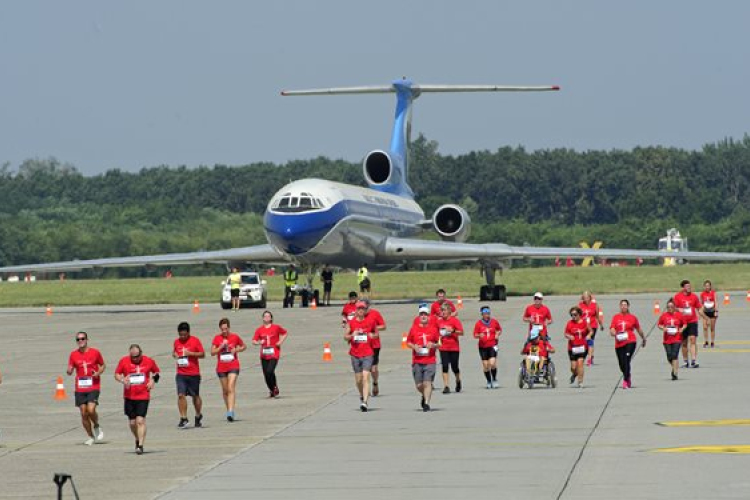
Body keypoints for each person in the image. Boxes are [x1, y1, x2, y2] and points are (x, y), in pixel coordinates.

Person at [114, 344, 160, 455]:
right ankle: (137, 438)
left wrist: (153, 381)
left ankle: (140, 445)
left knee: (140, 421)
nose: (135, 359)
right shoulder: (124, 361)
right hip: (129, 396)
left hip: (143, 395)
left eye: (137, 356)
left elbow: (157, 372)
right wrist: (122, 380)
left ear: (141, 353)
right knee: (132, 423)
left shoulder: (149, 361)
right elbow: (116, 374)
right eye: (132, 357)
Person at [67, 331, 106, 445]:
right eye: (78, 339)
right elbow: (70, 368)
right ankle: (91, 436)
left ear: (87, 339)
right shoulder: (73, 354)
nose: (80, 341)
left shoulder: (95, 352)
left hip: (93, 385)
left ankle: (97, 425)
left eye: (82, 338)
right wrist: (69, 371)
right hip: (80, 387)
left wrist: (98, 372)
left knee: (91, 410)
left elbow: (103, 365)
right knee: (84, 413)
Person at [344, 300, 378, 412]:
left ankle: (365, 402)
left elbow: (376, 333)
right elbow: (345, 337)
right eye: (359, 309)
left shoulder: (371, 321)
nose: (361, 311)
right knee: (358, 380)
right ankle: (362, 395)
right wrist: (352, 335)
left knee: (366, 377)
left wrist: (372, 335)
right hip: (355, 354)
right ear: (356, 311)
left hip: (368, 353)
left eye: (363, 309)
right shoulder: (352, 323)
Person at [211, 318, 247, 421]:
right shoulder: (217, 338)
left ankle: (231, 411)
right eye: (222, 329)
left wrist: (237, 349)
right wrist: (220, 347)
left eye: (226, 329)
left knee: (231, 387)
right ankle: (228, 410)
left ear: (229, 328)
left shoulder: (235, 337)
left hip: (233, 365)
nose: (224, 331)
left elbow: (244, 346)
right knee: (225, 390)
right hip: (221, 367)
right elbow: (212, 352)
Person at [406, 304, 440, 411]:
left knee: (427, 382)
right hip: (417, 360)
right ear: (419, 316)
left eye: (425, 314)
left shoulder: (434, 329)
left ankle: (426, 403)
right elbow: (408, 342)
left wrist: (433, 345)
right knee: (419, 385)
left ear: (429, 316)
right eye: (421, 314)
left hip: (430, 360)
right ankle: (424, 395)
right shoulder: (413, 329)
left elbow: (439, 343)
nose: (423, 316)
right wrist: (414, 346)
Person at [173, 321, 205, 429]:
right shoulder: (176, 342)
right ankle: (183, 417)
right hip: (181, 373)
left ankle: (198, 414)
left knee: (195, 396)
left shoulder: (195, 341)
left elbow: (202, 354)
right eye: (180, 335)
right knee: (181, 395)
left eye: (184, 335)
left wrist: (190, 354)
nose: (182, 337)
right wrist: (175, 354)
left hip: (193, 373)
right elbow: (174, 352)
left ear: (188, 333)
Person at [609, 299, 646, 389]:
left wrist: (643, 338)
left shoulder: (632, 317)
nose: (623, 307)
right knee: (622, 364)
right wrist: (613, 332)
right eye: (622, 305)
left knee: (626, 359)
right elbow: (612, 328)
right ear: (620, 306)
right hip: (619, 342)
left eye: (625, 305)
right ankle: (627, 374)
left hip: (630, 341)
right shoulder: (616, 317)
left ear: (628, 306)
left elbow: (638, 329)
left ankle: (626, 380)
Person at [252, 311, 288, 398]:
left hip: (274, 353)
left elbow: (285, 333)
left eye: (268, 316)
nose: (267, 318)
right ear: (263, 318)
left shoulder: (276, 327)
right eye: (265, 316)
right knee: (266, 374)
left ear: (271, 318)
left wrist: (280, 342)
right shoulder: (259, 330)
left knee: (270, 371)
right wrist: (259, 342)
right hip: (264, 355)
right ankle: (272, 390)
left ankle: (275, 387)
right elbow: (254, 341)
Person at [673, 279, 704, 368]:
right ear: (683, 288)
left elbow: (699, 307)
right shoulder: (677, 297)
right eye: (687, 286)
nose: (689, 288)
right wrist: (679, 309)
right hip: (682, 323)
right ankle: (686, 361)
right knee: (684, 343)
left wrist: (701, 315)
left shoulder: (694, 296)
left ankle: (694, 360)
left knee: (693, 339)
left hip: (692, 321)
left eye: (690, 286)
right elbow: (673, 308)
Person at [437, 303, 464, 393]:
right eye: (441, 310)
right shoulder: (439, 322)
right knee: (445, 366)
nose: (442, 312)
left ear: (449, 311)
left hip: (454, 347)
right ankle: (446, 386)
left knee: (454, 367)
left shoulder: (454, 321)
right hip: (443, 347)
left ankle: (458, 380)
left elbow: (461, 332)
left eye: (444, 310)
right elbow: (435, 332)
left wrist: (452, 331)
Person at [473, 306, 502, 389]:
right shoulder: (478, 323)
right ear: (482, 314)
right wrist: (479, 335)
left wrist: (497, 334)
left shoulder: (494, 322)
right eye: (485, 313)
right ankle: (489, 381)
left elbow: (499, 329)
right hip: (483, 347)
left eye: (488, 313)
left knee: (492, 363)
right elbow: (475, 334)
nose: (487, 315)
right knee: (486, 365)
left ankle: (495, 379)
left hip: (493, 345)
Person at [363, 299, 386, 396]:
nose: (362, 310)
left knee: (373, 369)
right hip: (362, 345)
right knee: (364, 369)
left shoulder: (375, 314)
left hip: (374, 345)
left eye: (364, 307)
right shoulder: (358, 315)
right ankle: (366, 388)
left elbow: (384, 326)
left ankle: (375, 383)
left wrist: (373, 328)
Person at [564, 307, 592, 388]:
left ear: (579, 314)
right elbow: (566, 333)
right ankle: (575, 374)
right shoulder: (569, 323)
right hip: (572, 348)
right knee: (573, 367)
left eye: (575, 314)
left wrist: (588, 335)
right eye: (572, 315)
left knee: (580, 364)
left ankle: (580, 382)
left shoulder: (584, 323)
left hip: (582, 347)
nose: (573, 316)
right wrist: (569, 336)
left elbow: (590, 330)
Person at [658, 300, 685, 381]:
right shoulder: (664, 316)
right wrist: (663, 328)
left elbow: (685, 324)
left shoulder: (679, 315)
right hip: (667, 339)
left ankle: (675, 373)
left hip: (677, 338)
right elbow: (659, 324)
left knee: (675, 355)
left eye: (671, 307)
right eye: (668, 307)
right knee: (669, 356)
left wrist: (682, 329)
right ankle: (674, 367)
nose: (670, 308)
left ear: (674, 307)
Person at [579, 291, 604, 366]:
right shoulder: (580, 305)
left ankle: (589, 358)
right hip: (583, 326)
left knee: (590, 340)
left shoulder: (594, 305)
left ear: (590, 298)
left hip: (592, 325)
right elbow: (577, 315)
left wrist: (601, 324)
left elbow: (597, 315)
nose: (586, 299)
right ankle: (589, 355)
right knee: (584, 341)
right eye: (584, 297)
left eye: (587, 297)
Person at [700, 279, 718, 348]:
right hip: (705, 312)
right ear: (704, 286)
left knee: (712, 328)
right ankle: (706, 341)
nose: (707, 287)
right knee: (705, 327)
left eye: (708, 286)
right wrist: (700, 313)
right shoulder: (702, 294)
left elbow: (716, 302)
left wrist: (716, 311)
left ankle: (712, 342)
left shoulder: (713, 293)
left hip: (712, 311)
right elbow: (701, 304)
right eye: (706, 286)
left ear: (710, 286)